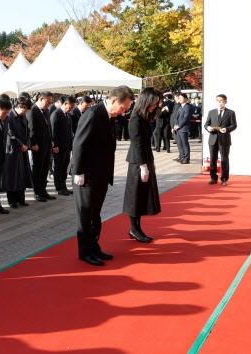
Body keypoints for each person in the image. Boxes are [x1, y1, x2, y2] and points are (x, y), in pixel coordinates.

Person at [72, 85, 135, 266]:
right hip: (87, 175)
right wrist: (78, 172)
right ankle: (85, 252)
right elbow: (79, 144)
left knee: (95, 214)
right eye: (123, 108)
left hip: (100, 174)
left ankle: (94, 247)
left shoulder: (109, 116)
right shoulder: (92, 114)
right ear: (114, 100)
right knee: (85, 215)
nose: (122, 112)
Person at [123, 87, 163, 243]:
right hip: (137, 162)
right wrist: (142, 166)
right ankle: (134, 228)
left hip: (145, 160)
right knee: (135, 197)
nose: (156, 105)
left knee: (141, 196)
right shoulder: (135, 119)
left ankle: (137, 228)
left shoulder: (145, 118)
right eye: (154, 102)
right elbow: (137, 144)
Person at [1, 96, 33, 208]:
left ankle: (21, 199)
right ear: (18, 106)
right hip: (12, 150)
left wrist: (27, 145)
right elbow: (10, 134)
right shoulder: (9, 117)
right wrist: (21, 145)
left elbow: (28, 132)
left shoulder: (23, 117)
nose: (25, 113)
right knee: (12, 176)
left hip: (22, 150)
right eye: (24, 110)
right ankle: (12, 200)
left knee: (22, 175)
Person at [27, 91, 56, 202]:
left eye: (50, 102)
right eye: (47, 102)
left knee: (45, 169)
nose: (49, 104)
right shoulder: (32, 111)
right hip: (38, 145)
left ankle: (43, 190)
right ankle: (37, 192)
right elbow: (31, 129)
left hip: (47, 144)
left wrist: (51, 140)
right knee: (38, 169)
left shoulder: (46, 111)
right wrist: (33, 143)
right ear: (40, 99)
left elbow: (49, 127)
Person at [204, 94, 237, 186]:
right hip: (213, 138)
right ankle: (213, 178)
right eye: (218, 101)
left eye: (222, 101)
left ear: (225, 102)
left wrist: (226, 129)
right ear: (216, 101)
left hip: (224, 139)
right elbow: (206, 124)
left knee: (224, 159)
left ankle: (224, 178)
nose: (220, 103)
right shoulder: (211, 112)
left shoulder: (230, 112)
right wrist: (208, 128)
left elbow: (234, 125)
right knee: (213, 159)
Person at [51, 95, 76, 196]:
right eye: (70, 107)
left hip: (66, 146)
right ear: (65, 104)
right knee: (58, 167)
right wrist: (55, 145)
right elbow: (53, 132)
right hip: (59, 147)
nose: (71, 109)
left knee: (65, 167)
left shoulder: (68, 115)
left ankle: (64, 185)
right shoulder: (56, 114)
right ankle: (59, 187)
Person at [172, 93, 192, 164]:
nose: (179, 99)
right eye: (179, 98)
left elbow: (186, 118)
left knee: (184, 143)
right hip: (178, 129)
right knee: (180, 143)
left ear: (185, 99)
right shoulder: (180, 107)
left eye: (181, 98)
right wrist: (175, 125)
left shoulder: (187, 107)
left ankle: (187, 158)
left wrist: (179, 125)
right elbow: (176, 118)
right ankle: (182, 156)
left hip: (184, 128)